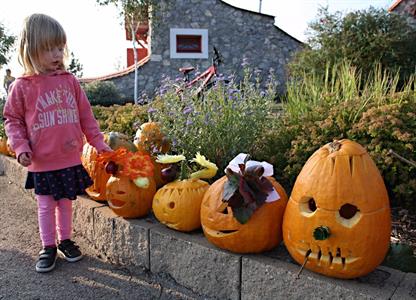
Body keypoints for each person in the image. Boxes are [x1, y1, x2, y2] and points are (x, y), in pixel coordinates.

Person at [3, 14, 112, 273]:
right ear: (31, 50)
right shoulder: (22, 87)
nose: (56, 54)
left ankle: (65, 240)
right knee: (45, 204)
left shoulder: (69, 81)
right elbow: (13, 120)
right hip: (42, 160)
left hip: (69, 157)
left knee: (65, 202)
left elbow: (86, 116)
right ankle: (48, 246)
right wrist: (21, 148)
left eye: (60, 48)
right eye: (48, 48)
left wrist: (99, 143)